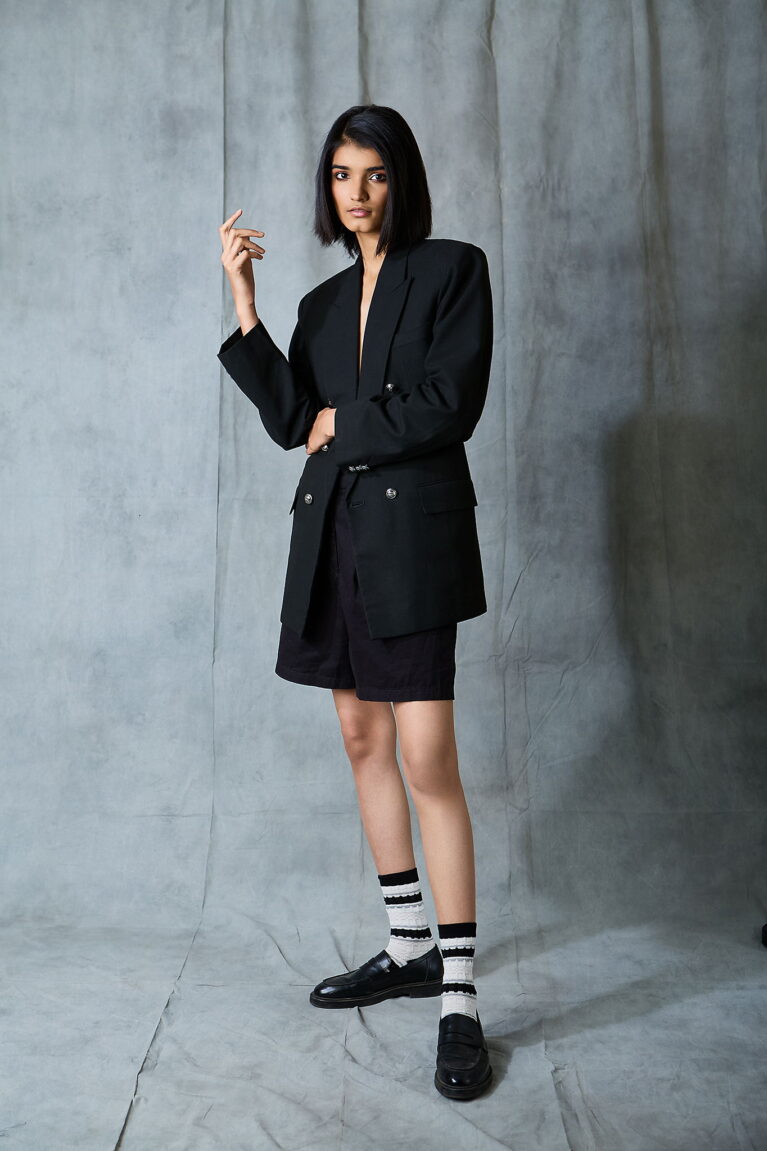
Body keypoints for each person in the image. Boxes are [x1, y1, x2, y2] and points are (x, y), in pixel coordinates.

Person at [217, 104, 494, 1101]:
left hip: (412, 543)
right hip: (332, 535)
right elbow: (298, 421)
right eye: (341, 174)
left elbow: (449, 404)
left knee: (427, 757)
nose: (357, 192)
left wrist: (346, 424)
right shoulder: (323, 302)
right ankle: (408, 943)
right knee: (362, 738)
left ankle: (459, 994)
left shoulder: (453, 270)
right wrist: (247, 308)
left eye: (374, 173)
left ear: (400, 179)